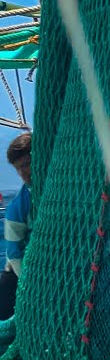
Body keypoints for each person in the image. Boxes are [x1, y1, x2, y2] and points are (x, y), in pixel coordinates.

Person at [2, 132, 31, 321]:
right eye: (17, 168)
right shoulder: (17, 206)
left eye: (27, 164)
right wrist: (29, 287)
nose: (22, 173)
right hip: (16, 277)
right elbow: (13, 253)